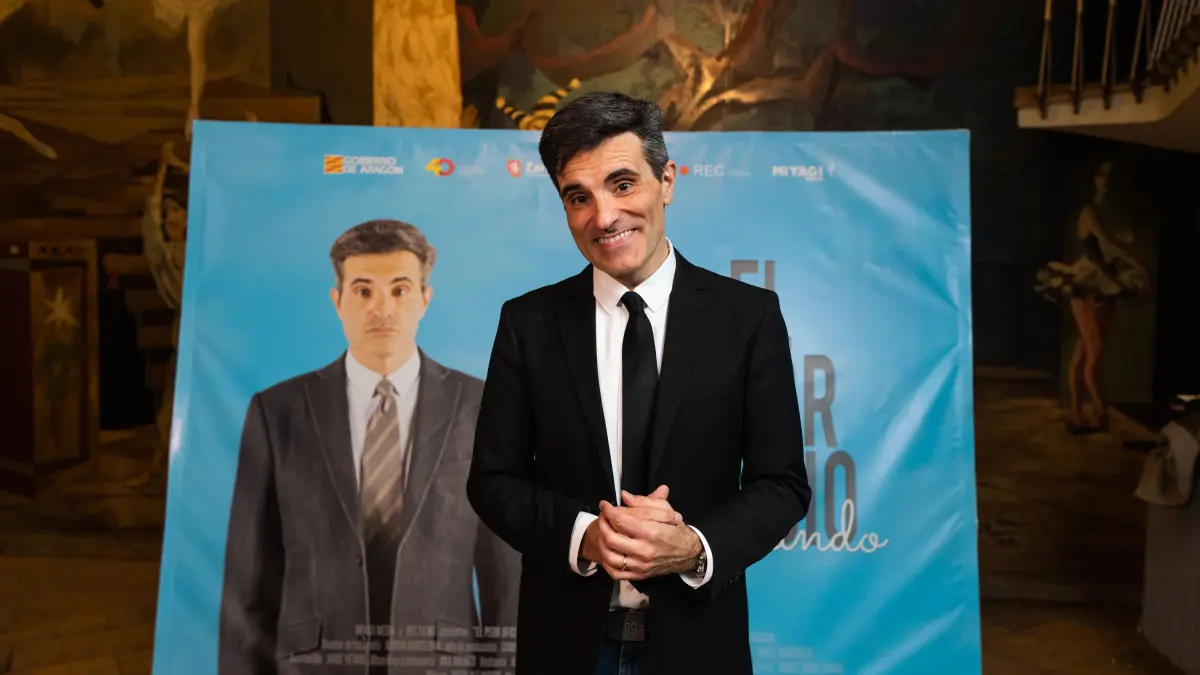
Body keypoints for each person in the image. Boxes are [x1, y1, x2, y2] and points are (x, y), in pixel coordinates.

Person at [466, 91, 812, 675]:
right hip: (566, 648)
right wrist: (585, 536)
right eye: (579, 197)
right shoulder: (528, 323)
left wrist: (693, 547)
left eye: (622, 184)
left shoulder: (748, 317)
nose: (604, 217)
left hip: (700, 645)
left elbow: (782, 484)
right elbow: (493, 480)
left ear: (667, 181)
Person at [219, 219, 521, 674]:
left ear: (425, 299)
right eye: (363, 291)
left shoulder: (482, 405)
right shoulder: (277, 411)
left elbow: (508, 582)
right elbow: (247, 581)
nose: (382, 308)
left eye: (400, 290)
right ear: (337, 301)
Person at [1033, 160, 1148, 434]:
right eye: (1102, 174)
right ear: (1095, 179)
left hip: (1109, 283)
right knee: (1093, 350)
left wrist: (1125, 278)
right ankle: (1098, 410)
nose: (1107, 180)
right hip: (1090, 281)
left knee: (1086, 350)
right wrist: (1121, 278)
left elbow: (1122, 252)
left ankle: (1080, 413)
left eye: (1113, 176)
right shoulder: (1089, 212)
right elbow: (1100, 253)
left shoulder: (1118, 215)